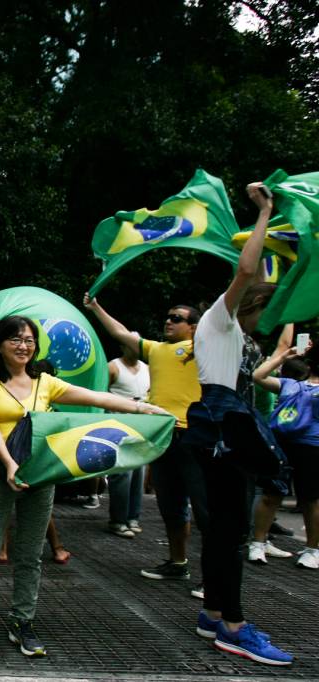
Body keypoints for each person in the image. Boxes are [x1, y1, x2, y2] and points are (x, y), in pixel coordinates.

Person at [0, 315, 168, 662]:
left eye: (29, 340)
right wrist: (10, 464)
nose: (23, 346)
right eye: (15, 339)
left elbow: (96, 397)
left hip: (38, 477)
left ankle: (22, 622)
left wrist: (141, 408)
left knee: (30, 556)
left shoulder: (44, 382)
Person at [182, 182, 292, 665]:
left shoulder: (239, 336)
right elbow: (248, 270)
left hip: (224, 428)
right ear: (249, 303)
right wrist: (264, 212)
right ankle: (233, 626)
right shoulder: (219, 320)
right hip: (220, 427)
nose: (269, 318)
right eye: (266, 309)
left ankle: (212, 613)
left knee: (223, 532)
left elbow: (267, 283)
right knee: (231, 535)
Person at [84, 292, 205, 593]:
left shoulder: (203, 349)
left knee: (205, 509)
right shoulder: (156, 350)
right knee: (171, 504)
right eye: (168, 316)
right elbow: (120, 333)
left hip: (195, 436)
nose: (168, 321)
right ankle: (178, 563)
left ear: (193, 327)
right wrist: (95, 306)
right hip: (162, 434)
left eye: (176, 318)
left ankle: (214, 577)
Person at [251, 330, 318, 569]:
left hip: (312, 447)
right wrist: (283, 356)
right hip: (282, 444)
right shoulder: (291, 385)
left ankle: (313, 549)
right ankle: (258, 544)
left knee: (310, 499)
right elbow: (258, 376)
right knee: (272, 494)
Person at [105, 342, 151, 537]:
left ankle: (133, 517)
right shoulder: (113, 367)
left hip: (141, 427)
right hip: (118, 426)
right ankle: (118, 520)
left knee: (139, 473)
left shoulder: (147, 369)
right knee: (122, 473)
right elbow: (101, 392)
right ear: (123, 346)